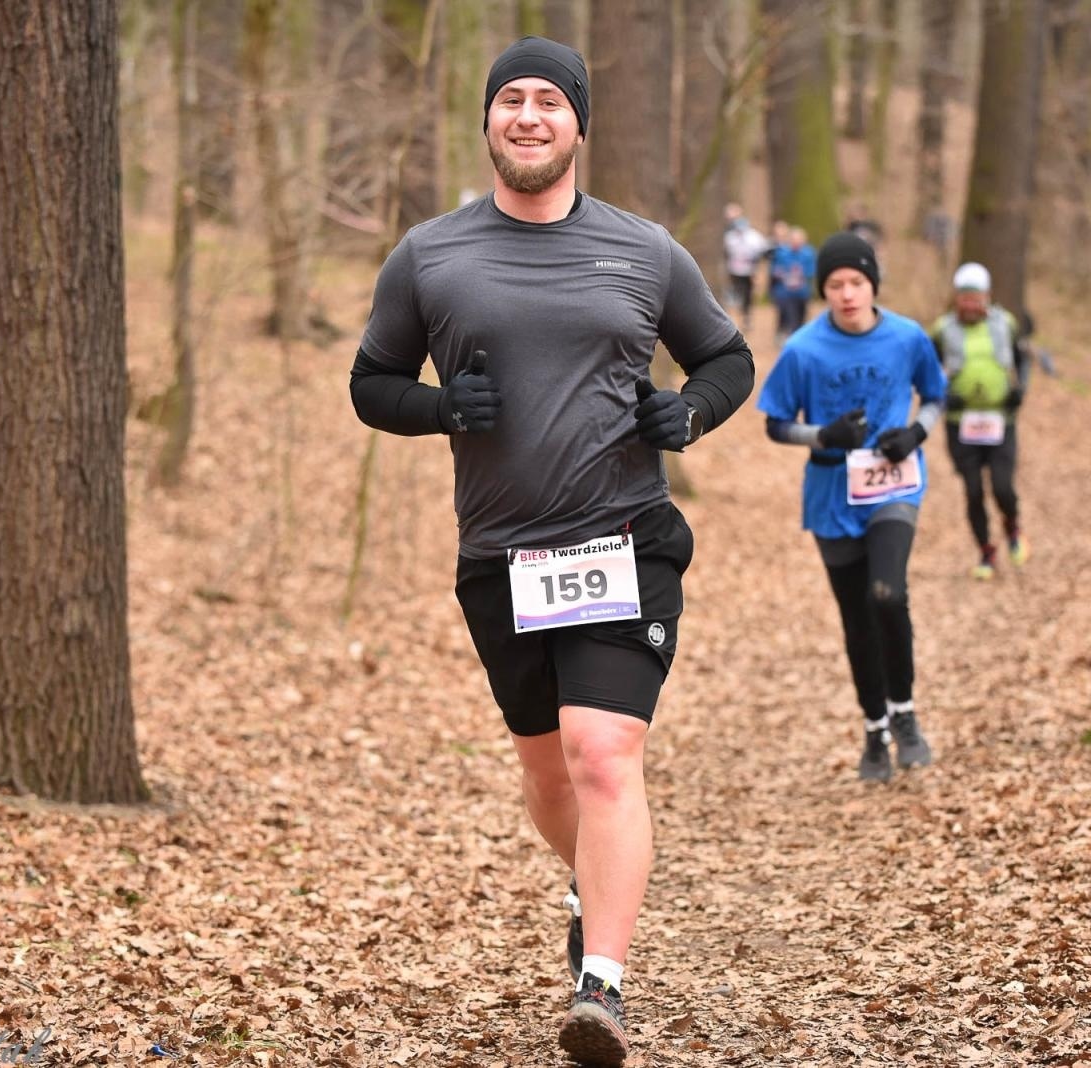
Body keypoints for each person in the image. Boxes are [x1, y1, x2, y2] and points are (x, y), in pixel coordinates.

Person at [348, 36, 754, 1067]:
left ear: (578, 125)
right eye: (510, 101)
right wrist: (439, 408)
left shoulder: (644, 250)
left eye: (548, 102)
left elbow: (726, 354)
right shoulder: (431, 254)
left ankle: (601, 986)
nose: (528, 117)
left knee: (603, 752)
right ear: (488, 123)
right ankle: (593, 881)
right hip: (501, 557)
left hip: (626, 537)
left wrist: (689, 413)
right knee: (549, 776)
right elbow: (370, 382)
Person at [757, 232, 945, 782]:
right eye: (835, 284)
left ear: (872, 285)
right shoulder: (803, 350)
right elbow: (774, 424)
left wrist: (914, 433)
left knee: (887, 593)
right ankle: (873, 729)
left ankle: (905, 715)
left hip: (894, 485)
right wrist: (824, 434)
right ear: (823, 290)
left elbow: (935, 396)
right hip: (831, 495)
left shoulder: (908, 337)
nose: (846, 294)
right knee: (856, 618)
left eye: (856, 282)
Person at [928, 262, 1032, 580]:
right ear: (956, 298)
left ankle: (1012, 528)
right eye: (964, 298)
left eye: (976, 298)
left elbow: (1022, 358)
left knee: (1002, 486)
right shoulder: (942, 330)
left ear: (987, 297)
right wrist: (944, 396)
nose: (971, 304)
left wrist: (1020, 390)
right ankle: (986, 551)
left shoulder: (1006, 324)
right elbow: (927, 370)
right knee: (973, 490)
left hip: (1000, 419)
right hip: (961, 423)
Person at [722, 206, 770, 331]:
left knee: (748, 294)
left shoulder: (753, 236)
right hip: (735, 271)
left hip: (749, 271)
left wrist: (756, 259)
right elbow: (726, 253)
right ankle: (737, 316)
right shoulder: (730, 237)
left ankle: (746, 317)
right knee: (738, 294)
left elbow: (763, 249)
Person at [769, 226, 816, 340]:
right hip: (785, 292)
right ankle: (787, 335)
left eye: (799, 240)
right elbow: (774, 271)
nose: (796, 242)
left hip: (801, 292)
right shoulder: (781, 253)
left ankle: (798, 335)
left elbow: (811, 272)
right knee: (788, 315)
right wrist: (784, 274)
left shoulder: (808, 253)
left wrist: (800, 274)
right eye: (794, 239)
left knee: (801, 316)